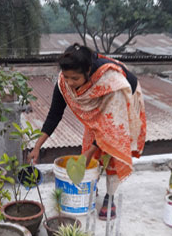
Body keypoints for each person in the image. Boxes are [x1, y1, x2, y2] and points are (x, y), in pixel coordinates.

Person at [29, 43, 146, 220]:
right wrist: (37, 146)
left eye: (75, 78)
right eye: (66, 77)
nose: (70, 82)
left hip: (123, 100)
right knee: (90, 143)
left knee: (112, 148)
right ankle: (93, 183)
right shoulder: (65, 82)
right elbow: (54, 115)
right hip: (102, 104)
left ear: (88, 71)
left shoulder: (111, 83)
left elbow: (109, 126)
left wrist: (89, 155)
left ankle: (110, 196)